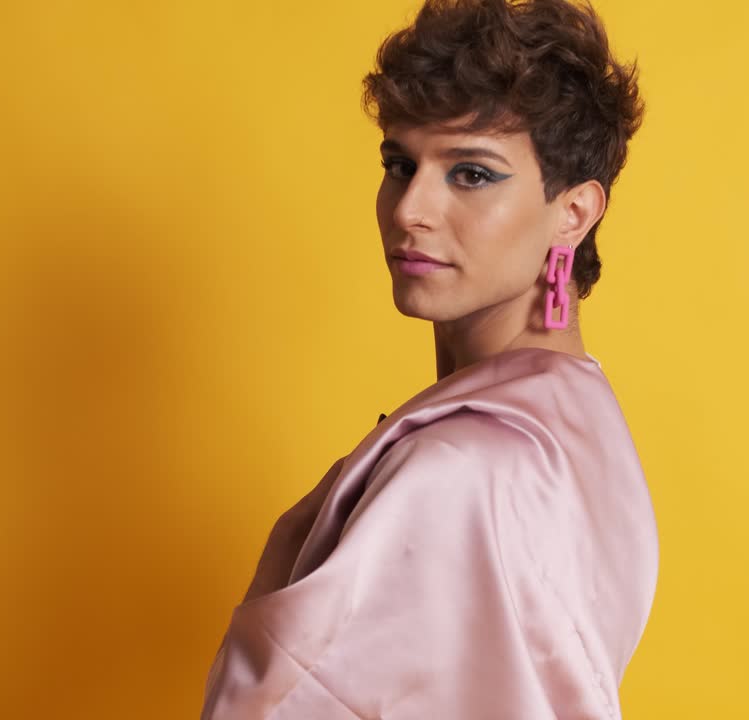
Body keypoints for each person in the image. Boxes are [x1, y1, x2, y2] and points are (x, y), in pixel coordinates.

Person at [201, 0, 657, 717]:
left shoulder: (460, 469)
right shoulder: (586, 420)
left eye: (471, 174)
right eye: (399, 163)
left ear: (573, 212)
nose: (410, 208)